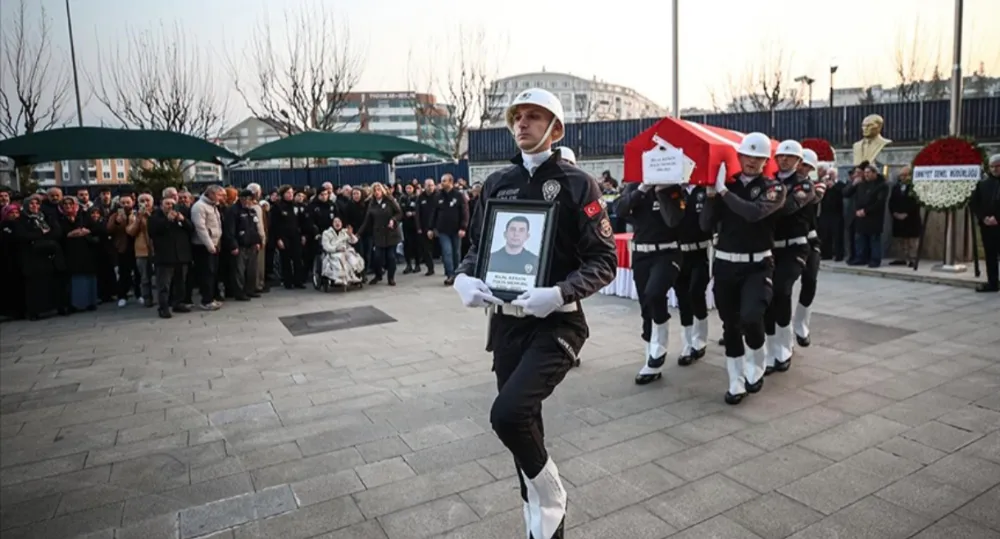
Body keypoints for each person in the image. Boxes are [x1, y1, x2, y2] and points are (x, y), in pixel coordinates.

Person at [451, 88, 617, 539]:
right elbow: (476, 249)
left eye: (534, 116)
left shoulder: (578, 183)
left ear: (555, 128)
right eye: (517, 117)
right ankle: (542, 530)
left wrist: (561, 292)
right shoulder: (497, 184)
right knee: (526, 430)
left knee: (507, 415)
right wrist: (465, 278)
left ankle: (553, 498)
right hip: (506, 324)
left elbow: (605, 260)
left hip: (557, 323)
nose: (522, 123)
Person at [700, 132, 786, 405]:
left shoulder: (774, 188)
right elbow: (705, 225)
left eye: (758, 158)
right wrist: (712, 195)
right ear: (738, 157)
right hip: (725, 264)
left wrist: (723, 192)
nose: (751, 161)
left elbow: (753, 213)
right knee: (730, 325)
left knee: (751, 316)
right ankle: (735, 380)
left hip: (757, 265)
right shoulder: (727, 185)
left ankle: (756, 366)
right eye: (747, 156)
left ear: (765, 161)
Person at [616, 178, 684, 385]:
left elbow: (673, 219)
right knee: (646, 304)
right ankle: (651, 359)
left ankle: (660, 347)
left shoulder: (674, 189)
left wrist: (661, 192)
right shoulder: (636, 186)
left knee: (655, 293)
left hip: (667, 252)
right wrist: (642, 189)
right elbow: (620, 209)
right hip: (641, 254)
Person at [763, 140, 815, 375]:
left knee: (782, 291)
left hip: (795, 248)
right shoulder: (768, 182)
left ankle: (784, 347)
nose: (783, 159)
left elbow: (787, 208)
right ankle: (772, 347)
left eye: (789, 156)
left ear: (798, 161)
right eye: (780, 156)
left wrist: (760, 205)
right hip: (770, 248)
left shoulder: (804, 185)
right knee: (767, 298)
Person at [675, 179, 713, 366]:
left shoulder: (703, 190)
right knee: (682, 297)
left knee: (696, 292)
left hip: (701, 251)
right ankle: (687, 343)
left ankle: (700, 339)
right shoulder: (672, 191)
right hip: (679, 252)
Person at [793, 149, 825, 347]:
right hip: (787, 241)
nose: (803, 169)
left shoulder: (813, 187)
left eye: (807, 166)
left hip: (810, 239)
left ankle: (801, 325)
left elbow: (814, 198)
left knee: (810, 281)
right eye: (801, 164)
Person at [148, 196, 194, 318]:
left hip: (181, 256)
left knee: (180, 282)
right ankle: (163, 307)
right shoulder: (155, 217)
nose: (170, 206)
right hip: (165, 257)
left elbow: (191, 228)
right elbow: (153, 231)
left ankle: (178, 303)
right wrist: (167, 220)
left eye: (172, 204)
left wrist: (183, 220)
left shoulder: (181, 214)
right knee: (164, 285)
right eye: (167, 204)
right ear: (161, 206)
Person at [356, 182, 402, 286]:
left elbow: (399, 212)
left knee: (391, 257)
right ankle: (378, 275)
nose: (377, 192)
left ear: (382, 191)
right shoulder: (372, 204)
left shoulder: (390, 200)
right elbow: (367, 221)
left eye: (378, 190)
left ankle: (391, 277)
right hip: (378, 234)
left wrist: (393, 220)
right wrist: (358, 234)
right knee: (377, 257)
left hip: (391, 233)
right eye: (374, 191)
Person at [223, 189, 264, 301]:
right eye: (246, 199)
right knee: (239, 271)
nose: (248, 201)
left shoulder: (251, 211)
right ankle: (239, 292)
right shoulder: (233, 211)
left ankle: (250, 290)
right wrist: (233, 245)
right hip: (240, 245)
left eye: (250, 199)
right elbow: (229, 230)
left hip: (251, 244)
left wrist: (257, 242)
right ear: (241, 199)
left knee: (251, 269)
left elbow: (254, 228)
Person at [845, 164, 888, 267]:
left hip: (873, 216)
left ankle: (875, 259)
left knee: (874, 239)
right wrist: (854, 184)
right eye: (865, 173)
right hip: (860, 216)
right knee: (860, 239)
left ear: (875, 173)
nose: (866, 175)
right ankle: (860, 258)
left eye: (868, 173)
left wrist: (866, 210)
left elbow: (879, 202)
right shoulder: (861, 184)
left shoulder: (882, 185)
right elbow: (848, 194)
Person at [433, 174, 470, 286]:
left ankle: (457, 273)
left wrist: (463, 227)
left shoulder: (459, 195)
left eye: (444, 181)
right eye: (441, 181)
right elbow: (434, 213)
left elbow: (465, 212)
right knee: (447, 252)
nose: (442, 183)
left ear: (451, 182)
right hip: (443, 230)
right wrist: (431, 228)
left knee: (456, 252)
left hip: (456, 230)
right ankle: (450, 275)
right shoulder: (438, 196)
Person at [970, 153, 1000, 292]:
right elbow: (975, 203)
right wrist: (983, 217)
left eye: (998, 166)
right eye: (992, 167)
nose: (995, 169)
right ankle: (992, 282)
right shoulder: (983, 184)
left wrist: (997, 218)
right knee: (990, 254)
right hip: (987, 226)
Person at [888, 166, 921, 268]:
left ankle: (912, 258)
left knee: (912, 240)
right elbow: (891, 201)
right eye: (901, 175)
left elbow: (916, 202)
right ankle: (902, 258)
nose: (903, 177)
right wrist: (895, 213)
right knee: (900, 240)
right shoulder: (896, 187)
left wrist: (906, 213)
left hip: (911, 217)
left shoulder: (915, 187)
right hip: (898, 218)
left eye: (905, 175)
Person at [320, 217, 365, 285]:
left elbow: (354, 241)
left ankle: (352, 275)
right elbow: (326, 246)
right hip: (333, 253)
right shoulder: (326, 233)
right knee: (341, 256)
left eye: (339, 221)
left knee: (351, 256)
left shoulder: (344, 231)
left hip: (345, 251)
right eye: (335, 222)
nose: (337, 223)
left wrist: (350, 234)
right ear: (332, 223)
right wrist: (336, 249)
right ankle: (341, 277)